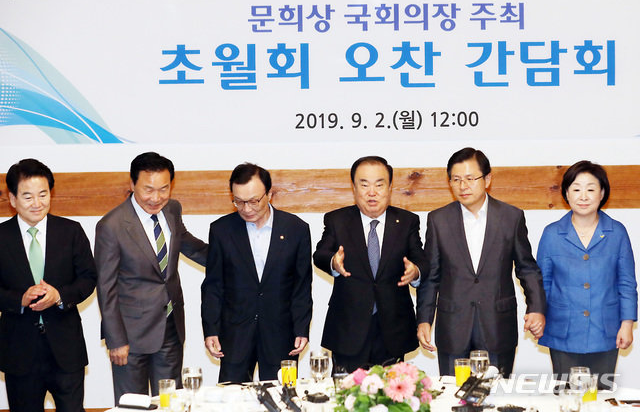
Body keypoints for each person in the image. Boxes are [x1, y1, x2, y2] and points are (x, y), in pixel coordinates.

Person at [416, 147, 546, 377]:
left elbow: (527, 268)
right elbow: (431, 276)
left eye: (470, 178)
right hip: (453, 328)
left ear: (487, 179)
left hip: (497, 326)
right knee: (452, 394)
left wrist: (536, 308)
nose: (463, 186)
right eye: (456, 179)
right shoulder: (438, 219)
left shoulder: (511, 217)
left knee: (496, 394)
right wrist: (424, 320)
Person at [95, 152, 207, 402]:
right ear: (132, 184)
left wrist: (233, 260)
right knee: (132, 404)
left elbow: (191, 246)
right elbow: (106, 287)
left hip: (170, 328)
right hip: (130, 337)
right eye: (148, 189)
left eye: (163, 189)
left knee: (170, 402)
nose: (156, 198)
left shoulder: (173, 209)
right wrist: (116, 340)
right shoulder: (111, 226)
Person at [313, 156, 427, 373]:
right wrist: (333, 262)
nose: (371, 192)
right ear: (354, 187)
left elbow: (421, 259)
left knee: (393, 391)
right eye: (364, 185)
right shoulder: (337, 220)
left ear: (390, 187)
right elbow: (320, 254)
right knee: (346, 393)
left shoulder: (407, 221)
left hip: (392, 329)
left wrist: (415, 272)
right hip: (348, 329)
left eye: (379, 185)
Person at [0, 159, 97, 412]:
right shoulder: (1, 236)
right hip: (19, 352)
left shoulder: (71, 231)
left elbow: (88, 278)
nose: (37, 203)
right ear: (12, 199)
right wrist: (19, 299)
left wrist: (59, 295)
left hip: (66, 350)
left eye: (43, 194)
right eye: (28, 196)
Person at [201, 163, 312, 382]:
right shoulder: (221, 230)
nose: (246, 209)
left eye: (253, 201)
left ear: (269, 194)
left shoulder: (296, 229)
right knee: (231, 396)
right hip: (235, 334)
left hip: (281, 333)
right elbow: (213, 285)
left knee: (283, 395)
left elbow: (301, 285)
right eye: (239, 201)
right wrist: (211, 329)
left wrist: (301, 328)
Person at [537, 161, 637, 388]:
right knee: (567, 396)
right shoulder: (552, 234)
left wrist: (627, 323)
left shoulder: (617, 232)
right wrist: (538, 315)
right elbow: (543, 283)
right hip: (563, 331)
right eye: (576, 189)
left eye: (591, 189)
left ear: (602, 193)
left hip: (606, 330)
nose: (583, 196)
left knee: (601, 396)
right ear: (566, 193)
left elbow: (626, 283)